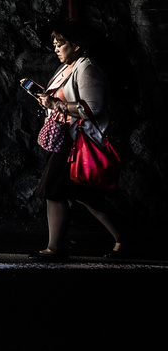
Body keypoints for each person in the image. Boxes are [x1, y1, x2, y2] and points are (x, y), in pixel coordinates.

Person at [30, 20, 126, 261]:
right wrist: (47, 99)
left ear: (76, 46)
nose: (56, 48)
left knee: (54, 190)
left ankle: (55, 248)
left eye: (60, 44)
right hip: (65, 138)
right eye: (54, 44)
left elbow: (92, 108)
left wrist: (56, 104)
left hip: (76, 141)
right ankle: (125, 238)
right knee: (84, 194)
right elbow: (61, 98)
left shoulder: (87, 68)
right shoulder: (66, 68)